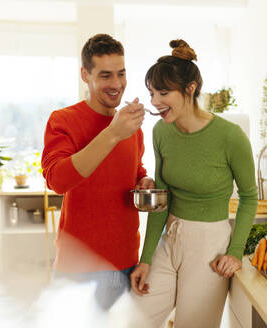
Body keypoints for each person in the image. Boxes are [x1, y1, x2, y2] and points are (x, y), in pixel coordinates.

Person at [129, 39, 258, 327]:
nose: (154, 102)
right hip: (170, 239)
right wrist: (146, 257)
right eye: (151, 93)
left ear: (189, 89)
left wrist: (235, 252)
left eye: (163, 92)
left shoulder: (230, 136)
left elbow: (249, 197)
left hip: (208, 246)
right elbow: (162, 198)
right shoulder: (162, 131)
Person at [41, 34, 154, 311]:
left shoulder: (130, 125)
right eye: (105, 75)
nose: (116, 84)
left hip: (128, 263)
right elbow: (57, 179)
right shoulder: (63, 120)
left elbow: (134, 169)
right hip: (80, 269)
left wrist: (144, 181)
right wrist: (113, 133)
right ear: (85, 74)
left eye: (121, 73)